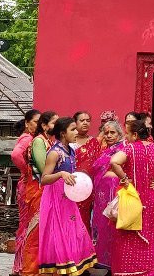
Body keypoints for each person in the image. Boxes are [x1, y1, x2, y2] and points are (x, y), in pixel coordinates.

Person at [109, 118, 154, 276]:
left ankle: (127, 270)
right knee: (148, 231)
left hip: (131, 196)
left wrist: (124, 179)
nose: (126, 137)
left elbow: (114, 162)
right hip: (150, 197)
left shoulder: (130, 149)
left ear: (135, 135)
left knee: (127, 230)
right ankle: (147, 271)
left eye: (127, 134)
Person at [39, 116, 97, 275]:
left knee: (75, 231)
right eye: (72, 129)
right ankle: (62, 268)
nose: (76, 131)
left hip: (68, 198)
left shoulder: (71, 150)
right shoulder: (55, 153)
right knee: (59, 234)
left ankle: (73, 267)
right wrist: (61, 174)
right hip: (55, 199)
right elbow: (43, 179)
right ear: (63, 133)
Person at [22, 111, 57, 276]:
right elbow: (44, 171)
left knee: (46, 232)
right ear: (44, 126)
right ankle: (30, 271)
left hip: (47, 191)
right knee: (36, 232)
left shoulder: (51, 142)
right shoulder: (38, 141)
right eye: (54, 123)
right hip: (38, 190)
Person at [90, 119, 125, 273]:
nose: (109, 135)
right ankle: (103, 261)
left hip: (114, 195)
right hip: (101, 197)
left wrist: (112, 175)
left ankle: (114, 263)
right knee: (101, 226)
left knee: (113, 226)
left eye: (113, 132)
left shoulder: (123, 149)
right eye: (106, 133)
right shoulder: (105, 150)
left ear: (120, 134)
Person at [10, 109, 40, 276]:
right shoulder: (28, 138)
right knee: (26, 225)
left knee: (28, 225)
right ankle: (20, 265)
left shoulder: (35, 140)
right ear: (28, 123)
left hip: (29, 185)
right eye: (36, 121)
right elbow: (15, 155)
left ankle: (21, 265)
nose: (39, 125)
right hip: (27, 186)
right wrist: (27, 171)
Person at [72, 110, 102, 234]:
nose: (85, 123)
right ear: (75, 123)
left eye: (88, 121)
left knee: (84, 217)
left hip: (87, 187)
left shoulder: (94, 142)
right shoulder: (68, 142)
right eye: (82, 120)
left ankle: (84, 247)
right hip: (69, 185)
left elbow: (98, 165)